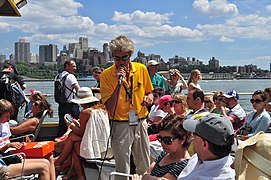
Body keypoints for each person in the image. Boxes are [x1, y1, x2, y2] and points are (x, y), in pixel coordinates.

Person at [100, 35, 154, 179]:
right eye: (117, 58)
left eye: (124, 58)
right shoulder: (106, 75)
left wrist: (149, 98)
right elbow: (109, 107)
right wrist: (119, 83)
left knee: (143, 161)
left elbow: (150, 91)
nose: (121, 62)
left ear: (130, 55)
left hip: (140, 120)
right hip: (120, 123)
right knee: (122, 164)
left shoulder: (141, 69)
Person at [54, 87, 109, 180]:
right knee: (74, 143)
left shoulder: (85, 112)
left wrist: (70, 125)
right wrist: (76, 124)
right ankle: (76, 174)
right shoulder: (102, 109)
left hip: (95, 147)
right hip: (104, 146)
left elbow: (81, 133)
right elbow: (91, 129)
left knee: (72, 138)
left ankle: (59, 164)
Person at [0, 99, 56, 180]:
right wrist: (8, 145)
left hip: (10, 154)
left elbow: (7, 139)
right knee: (44, 166)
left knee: (48, 158)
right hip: (6, 158)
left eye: (9, 116)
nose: (8, 119)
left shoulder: (5, 124)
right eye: (6, 116)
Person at [133, 114, 191, 180]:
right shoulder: (164, 153)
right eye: (160, 138)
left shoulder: (183, 164)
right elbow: (146, 173)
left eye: (167, 140)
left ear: (182, 139)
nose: (162, 143)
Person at [178, 113, 235, 179]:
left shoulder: (225, 177)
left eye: (194, 133)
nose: (192, 137)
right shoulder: (197, 158)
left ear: (204, 144)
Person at [56, 59, 80, 137]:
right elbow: (78, 90)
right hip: (72, 106)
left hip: (61, 105)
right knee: (73, 126)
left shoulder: (58, 76)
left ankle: (59, 146)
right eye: (73, 66)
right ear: (67, 66)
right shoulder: (71, 76)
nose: (75, 68)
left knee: (62, 126)